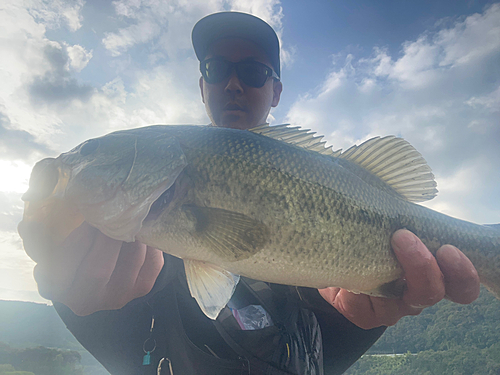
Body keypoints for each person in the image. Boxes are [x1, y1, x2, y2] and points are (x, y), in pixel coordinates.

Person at [18, 12, 480, 375]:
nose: (233, 83)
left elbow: (329, 335)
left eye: (254, 72)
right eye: (216, 68)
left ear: (275, 91)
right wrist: (76, 296)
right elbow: (129, 328)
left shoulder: (310, 210)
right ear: (202, 86)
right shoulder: (144, 237)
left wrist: (374, 312)